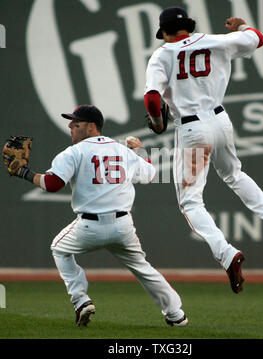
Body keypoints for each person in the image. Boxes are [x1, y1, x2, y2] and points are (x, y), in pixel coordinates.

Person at [144, 7, 263, 294]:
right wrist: (241, 27)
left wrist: (155, 122)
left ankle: (227, 254)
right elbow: (258, 39)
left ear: (164, 32)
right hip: (220, 119)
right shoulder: (216, 41)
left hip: (191, 128)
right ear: (188, 26)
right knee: (235, 175)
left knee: (190, 201)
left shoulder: (162, 55)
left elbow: (153, 99)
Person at [12, 104, 188, 327]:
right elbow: (150, 174)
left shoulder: (73, 152)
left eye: (76, 123)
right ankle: (176, 315)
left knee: (59, 249)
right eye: (71, 123)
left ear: (92, 127)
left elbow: (52, 183)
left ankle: (81, 300)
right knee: (143, 269)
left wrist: (24, 173)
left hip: (88, 227)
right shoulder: (121, 150)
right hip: (123, 226)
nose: (70, 126)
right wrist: (140, 151)